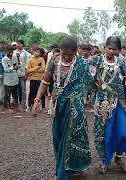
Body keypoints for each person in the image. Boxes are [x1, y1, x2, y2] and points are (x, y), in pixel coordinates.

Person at [32, 37, 92, 180]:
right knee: (58, 138)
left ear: (76, 52)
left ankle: (62, 173)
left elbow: (88, 84)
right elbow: (45, 81)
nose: (66, 57)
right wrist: (37, 99)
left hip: (74, 107)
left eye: (69, 55)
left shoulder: (82, 63)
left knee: (69, 138)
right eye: (63, 54)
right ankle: (65, 167)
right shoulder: (53, 61)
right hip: (58, 105)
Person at [91, 36, 126, 174]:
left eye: (115, 49)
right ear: (104, 47)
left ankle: (119, 157)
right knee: (104, 133)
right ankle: (104, 160)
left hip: (118, 101)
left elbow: (125, 76)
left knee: (121, 132)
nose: (111, 51)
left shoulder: (120, 61)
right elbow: (90, 79)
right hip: (102, 103)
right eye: (109, 48)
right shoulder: (96, 60)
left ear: (119, 50)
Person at [13, 39, 31, 109]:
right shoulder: (14, 52)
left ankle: (23, 102)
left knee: (23, 89)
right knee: (16, 88)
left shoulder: (26, 54)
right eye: (17, 43)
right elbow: (12, 62)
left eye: (19, 43)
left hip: (23, 73)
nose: (18, 45)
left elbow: (27, 65)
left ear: (23, 45)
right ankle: (16, 101)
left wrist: (26, 74)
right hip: (15, 73)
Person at [2, 47, 19, 113]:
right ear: (7, 52)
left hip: (15, 78)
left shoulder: (15, 57)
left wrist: (16, 67)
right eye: (9, 52)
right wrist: (13, 67)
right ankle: (7, 107)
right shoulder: (4, 59)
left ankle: (16, 106)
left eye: (12, 52)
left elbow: (16, 66)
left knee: (15, 93)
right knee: (7, 94)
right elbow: (6, 69)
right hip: (8, 79)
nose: (11, 53)